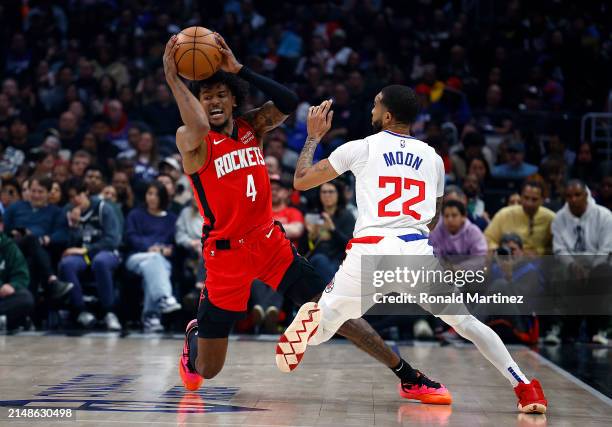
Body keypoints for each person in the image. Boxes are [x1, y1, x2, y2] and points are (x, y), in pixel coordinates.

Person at [163, 34, 441, 402]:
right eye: (205, 96)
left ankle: (407, 375)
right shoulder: (193, 141)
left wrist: (239, 69)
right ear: (196, 104)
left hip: (268, 242)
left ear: (232, 99)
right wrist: (173, 77)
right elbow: (197, 125)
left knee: (334, 307)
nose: (213, 102)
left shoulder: (251, 128)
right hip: (225, 255)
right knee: (207, 371)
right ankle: (196, 335)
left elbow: (288, 102)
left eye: (220, 94)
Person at [278, 87, 547, 413]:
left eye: (375, 104)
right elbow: (432, 217)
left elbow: (302, 180)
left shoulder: (362, 147)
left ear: (387, 115)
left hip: (369, 251)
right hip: (413, 251)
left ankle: (314, 317)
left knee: (324, 329)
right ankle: (525, 388)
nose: (372, 110)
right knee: (466, 323)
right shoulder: (433, 158)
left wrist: (312, 137)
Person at [58, 181, 122, 330]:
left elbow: (113, 240)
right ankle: (81, 311)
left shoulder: (103, 208)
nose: (75, 200)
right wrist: (74, 226)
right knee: (67, 264)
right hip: (83, 255)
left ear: (86, 192)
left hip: (106, 252)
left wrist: (87, 249)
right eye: (71, 197)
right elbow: (69, 242)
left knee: (100, 262)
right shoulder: (69, 211)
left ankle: (109, 312)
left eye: (77, 195)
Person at [125, 181, 181, 332]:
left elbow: (175, 244)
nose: (152, 198)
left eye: (156, 194)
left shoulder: (172, 219)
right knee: (155, 261)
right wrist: (151, 247)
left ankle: (151, 317)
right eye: (150, 193)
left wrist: (166, 250)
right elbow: (131, 237)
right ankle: (162, 300)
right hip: (137, 257)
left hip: (162, 260)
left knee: (153, 266)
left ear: (163, 197)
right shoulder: (135, 215)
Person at [485, 181, 555, 255]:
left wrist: (539, 252)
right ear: (520, 197)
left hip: (540, 263)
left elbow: (556, 247)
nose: (529, 203)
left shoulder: (551, 218)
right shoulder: (504, 214)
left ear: (542, 200)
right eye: (526, 198)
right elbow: (488, 240)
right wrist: (504, 251)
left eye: (534, 199)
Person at [305, 180, 355, 283]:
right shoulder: (313, 215)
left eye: (331, 192)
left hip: (339, 261)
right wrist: (310, 236)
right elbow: (305, 248)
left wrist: (333, 229)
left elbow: (350, 246)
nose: (327, 195)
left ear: (338, 194)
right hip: (316, 260)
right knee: (319, 260)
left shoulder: (347, 216)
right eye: (324, 192)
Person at [0, 212, 34, 331]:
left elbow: (21, 274)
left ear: (1, 226)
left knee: (25, 298)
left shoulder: (9, 247)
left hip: (3, 298)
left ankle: (4, 320)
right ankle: (6, 321)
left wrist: (12, 285)